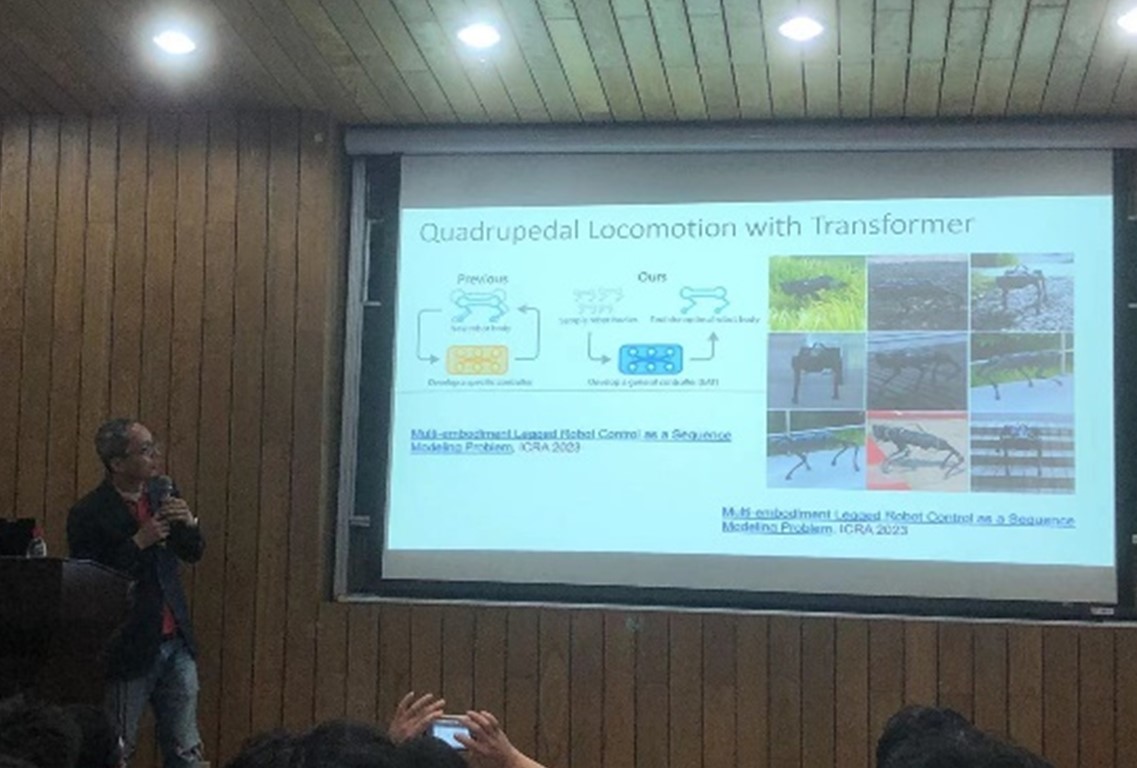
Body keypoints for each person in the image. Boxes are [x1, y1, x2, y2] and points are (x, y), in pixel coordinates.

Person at [67, 419, 205, 768]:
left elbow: (192, 552)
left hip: (176, 638)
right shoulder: (88, 512)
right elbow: (89, 580)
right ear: (117, 463)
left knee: (186, 749)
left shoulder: (163, 493)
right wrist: (138, 542)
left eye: (153, 446)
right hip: (129, 643)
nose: (155, 455)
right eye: (144, 450)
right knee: (119, 747)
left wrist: (189, 523)